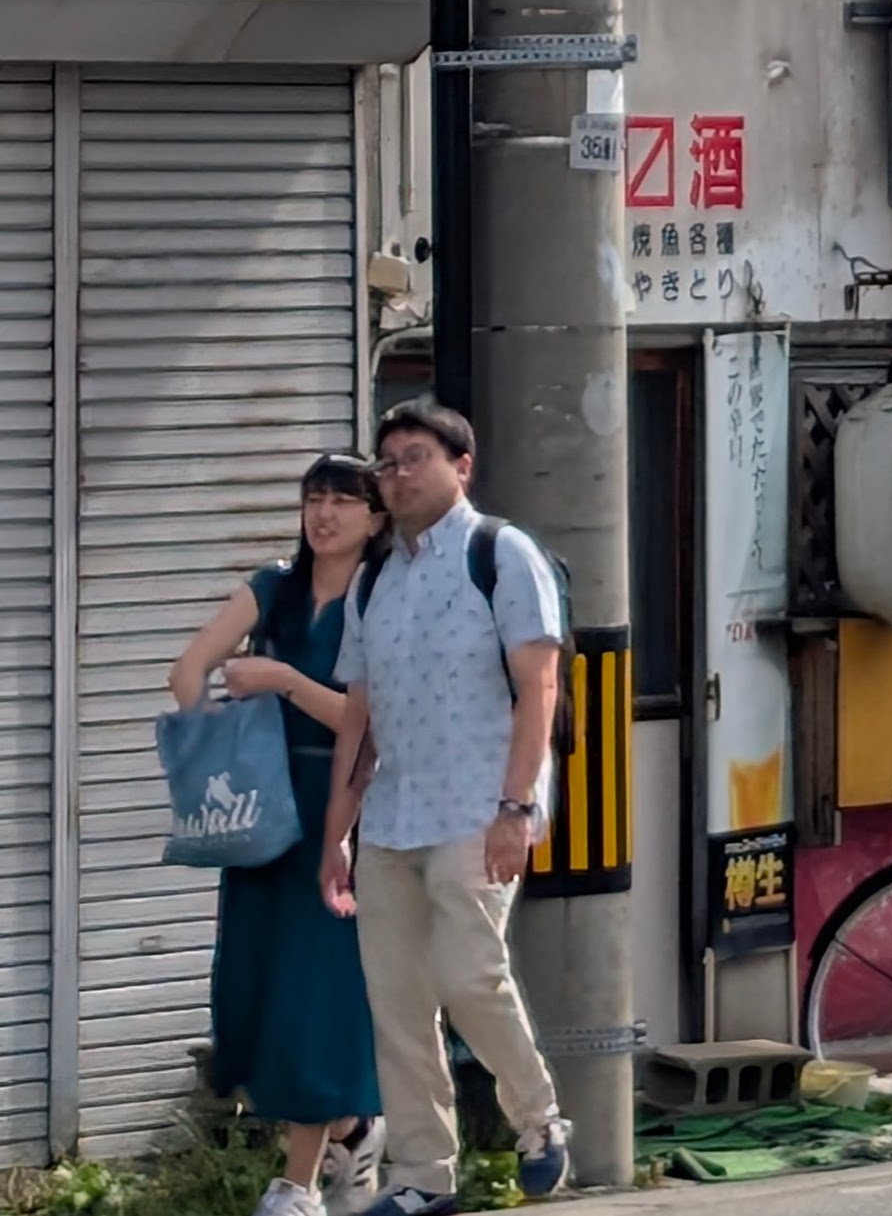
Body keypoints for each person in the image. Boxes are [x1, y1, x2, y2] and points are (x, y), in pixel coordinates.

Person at [323, 403, 563, 1216]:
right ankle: (422, 1174)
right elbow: (359, 717)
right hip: (392, 813)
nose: (398, 474)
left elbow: (539, 684)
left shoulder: (501, 552)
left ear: (461, 464)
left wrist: (516, 806)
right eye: (387, 462)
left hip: (478, 805)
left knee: (467, 974)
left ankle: (538, 1117)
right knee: (396, 1001)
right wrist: (338, 835)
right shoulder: (373, 579)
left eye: (415, 456)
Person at [173, 452, 382, 1216]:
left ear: (376, 517)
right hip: (263, 811)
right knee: (252, 987)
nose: (324, 514)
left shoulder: (382, 596)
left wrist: (284, 682)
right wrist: (219, 742)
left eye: (342, 500)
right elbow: (189, 669)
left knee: (314, 996)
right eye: (313, 498)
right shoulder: (273, 585)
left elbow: (372, 720)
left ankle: (297, 1185)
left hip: (343, 805)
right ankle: (354, 1126)